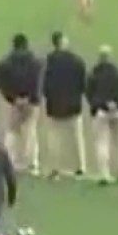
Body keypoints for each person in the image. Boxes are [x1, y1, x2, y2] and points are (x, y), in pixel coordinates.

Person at [40, 33, 88, 178]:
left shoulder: (49, 62)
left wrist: (48, 96)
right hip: (73, 104)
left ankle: (55, 168)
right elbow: (82, 82)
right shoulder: (76, 60)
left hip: (54, 105)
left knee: (54, 137)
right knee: (77, 137)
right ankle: (80, 166)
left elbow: (45, 84)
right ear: (62, 42)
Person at [83, 46, 118, 183]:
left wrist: (100, 104)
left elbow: (89, 93)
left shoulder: (93, 74)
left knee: (102, 143)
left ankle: (104, 173)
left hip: (101, 112)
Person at [0, 34, 42, 173]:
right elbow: (37, 81)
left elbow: (0, 83)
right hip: (31, 102)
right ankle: (32, 162)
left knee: (12, 131)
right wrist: (30, 97)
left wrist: (12, 98)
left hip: (12, 103)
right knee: (31, 130)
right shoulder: (35, 62)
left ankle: (10, 161)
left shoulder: (5, 63)